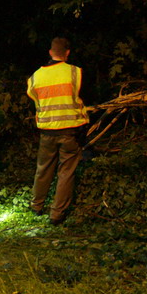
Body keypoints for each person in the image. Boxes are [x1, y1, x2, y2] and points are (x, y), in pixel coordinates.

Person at [26, 36, 89, 225]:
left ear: (50, 52)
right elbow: (82, 96)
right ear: (67, 53)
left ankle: (36, 205)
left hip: (47, 130)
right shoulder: (75, 73)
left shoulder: (35, 77)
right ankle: (56, 214)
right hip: (70, 130)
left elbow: (35, 101)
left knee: (43, 169)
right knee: (66, 172)